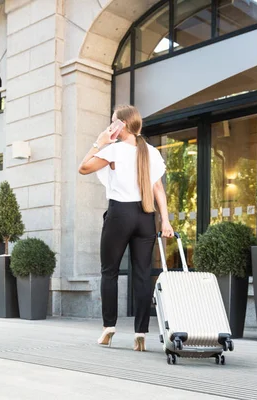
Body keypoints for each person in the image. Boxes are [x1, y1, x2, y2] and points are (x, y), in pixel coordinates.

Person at [78, 104, 174, 352]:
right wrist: (165, 220)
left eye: (113, 122)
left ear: (121, 125)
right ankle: (141, 332)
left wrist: (99, 142)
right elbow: (158, 190)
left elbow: (83, 167)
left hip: (120, 214)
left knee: (109, 271)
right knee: (143, 275)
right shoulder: (151, 151)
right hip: (146, 216)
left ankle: (108, 328)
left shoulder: (115, 150)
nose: (110, 126)